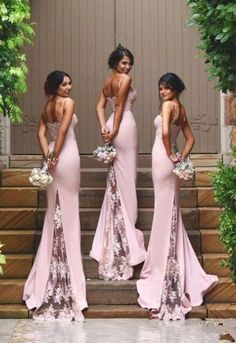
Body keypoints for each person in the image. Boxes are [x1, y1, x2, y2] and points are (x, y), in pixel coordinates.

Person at [136, 73, 218, 320]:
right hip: (169, 161)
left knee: (164, 212)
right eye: (161, 88)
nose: (163, 92)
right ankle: (174, 260)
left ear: (175, 89)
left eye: (167, 88)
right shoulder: (181, 108)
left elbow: (163, 134)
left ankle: (163, 268)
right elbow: (191, 139)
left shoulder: (168, 106)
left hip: (162, 159)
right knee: (170, 211)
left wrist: (171, 154)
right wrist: (181, 156)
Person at [23, 70, 87, 321]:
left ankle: (48, 273)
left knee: (54, 212)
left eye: (70, 83)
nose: (69, 88)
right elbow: (62, 132)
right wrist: (56, 155)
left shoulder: (48, 105)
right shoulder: (68, 104)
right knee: (68, 214)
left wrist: (47, 155)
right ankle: (69, 275)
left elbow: (42, 133)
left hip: (52, 156)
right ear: (55, 86)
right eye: (64, 84)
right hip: (67, 156)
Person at [90, 45, 146, 280]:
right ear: (115, 63)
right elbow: (121, 105)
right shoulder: (124, 79)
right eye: (123, 63)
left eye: (129, 63)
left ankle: (120, 214)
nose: (127, 66)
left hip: (115, 123)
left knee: (119, 172)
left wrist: (104, 125)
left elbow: (100, 106)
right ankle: (127, 221)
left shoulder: (107, 81)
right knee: (127, 173)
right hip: (124, 125)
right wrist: (112, 131)